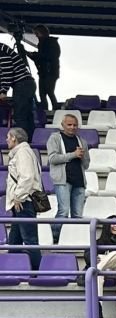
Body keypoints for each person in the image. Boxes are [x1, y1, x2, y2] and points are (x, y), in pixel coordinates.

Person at [47, 113, 90, 244]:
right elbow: (52, 159)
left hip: (79, 181)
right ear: (63, 125)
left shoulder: (82, 141)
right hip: (63, 181)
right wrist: (73, 154)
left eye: (75, 125)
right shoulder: (55, 138)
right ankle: (55, 238)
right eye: (69, 124)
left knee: (77, 215)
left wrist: (81, 156)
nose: (72, 127)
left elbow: (87, 164)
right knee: (63, 211)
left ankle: (74, 239)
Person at [4, 127, 42, 271]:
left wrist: (18, 197)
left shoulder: (23, 152)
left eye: (8, 136)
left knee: (29, 239)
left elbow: (26, 177)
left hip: (23, 202)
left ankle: (38, 272)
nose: (6, 139)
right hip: (21, 202)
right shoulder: (22, 152)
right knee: (15, 241)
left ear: (14, 138)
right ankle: (11, 269)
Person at [0, 41, 36, 135]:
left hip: (22, 84)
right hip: (26, 83)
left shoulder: (2, 52)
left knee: (20, 116)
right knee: (26, 115)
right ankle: (29, 140)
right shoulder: (4, 49)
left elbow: (7, 73)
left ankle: (22, 141)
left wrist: (3, 91)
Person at [29, 25, 60, 111]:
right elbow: (41, 58)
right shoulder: (42, 43)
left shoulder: (51, 43)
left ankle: (55, 109)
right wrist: (32, 55)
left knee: (49, 91)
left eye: (37, 33)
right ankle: (44, 111)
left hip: (50, 72)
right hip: (44, 72)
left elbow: (50, 56)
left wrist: (36, 55)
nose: (36, 35)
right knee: (42, 93)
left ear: (42, 33)